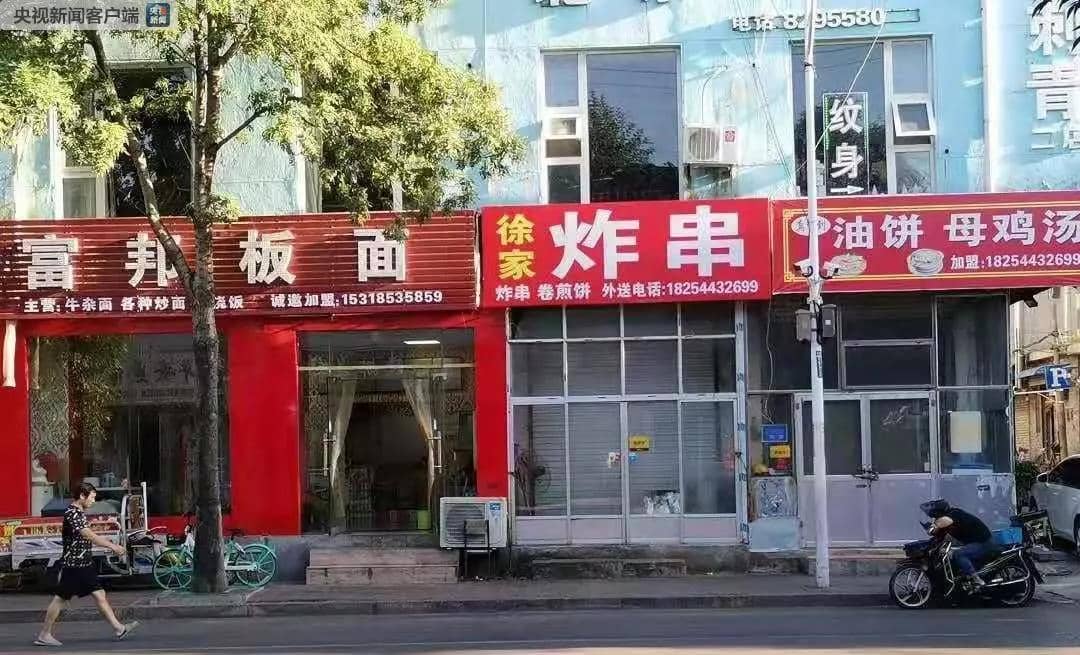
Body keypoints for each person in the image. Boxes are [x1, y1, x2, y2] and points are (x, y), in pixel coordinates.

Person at [35, 482, 138, 647]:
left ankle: (119, 628)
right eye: (92, 497)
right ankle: (44, 634)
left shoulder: (79, 512)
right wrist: (112, 546)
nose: (93, 501)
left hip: (84, 563)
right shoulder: (72, 513)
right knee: (60, 598)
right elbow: (88, 535)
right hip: (75, 565)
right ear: (82, 496)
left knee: (99, 594)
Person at [923, 499, 993, 588]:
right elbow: (940, 537)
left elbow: (943, 522)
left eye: (934, 515)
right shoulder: (948, 520)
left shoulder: (954, 514)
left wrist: (933, 527)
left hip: (984, 543)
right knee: (950, 554)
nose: (933, 519)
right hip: (973, 543)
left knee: (959, 554)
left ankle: (977, 580)